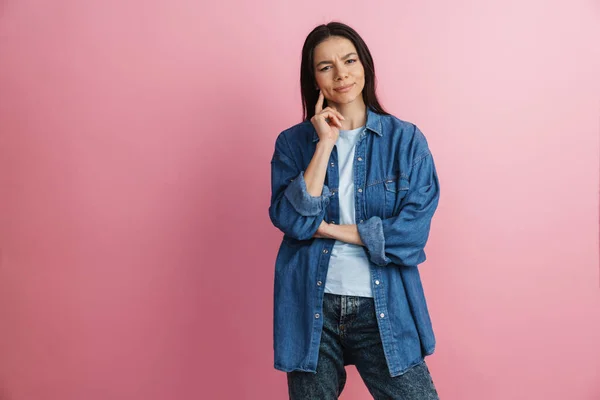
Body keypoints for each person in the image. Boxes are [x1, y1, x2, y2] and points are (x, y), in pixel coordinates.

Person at [268, 21, 441, 400]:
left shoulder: (406, 141)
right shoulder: (293, 143)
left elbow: (411, 235)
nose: (341, 73)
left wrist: (328, 229)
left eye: (349, 60)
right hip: (311, 304)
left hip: (382, 303)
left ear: (365, 65)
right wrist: (325, 144)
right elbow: (293, 221)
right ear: (313, 78)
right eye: (326, 66)